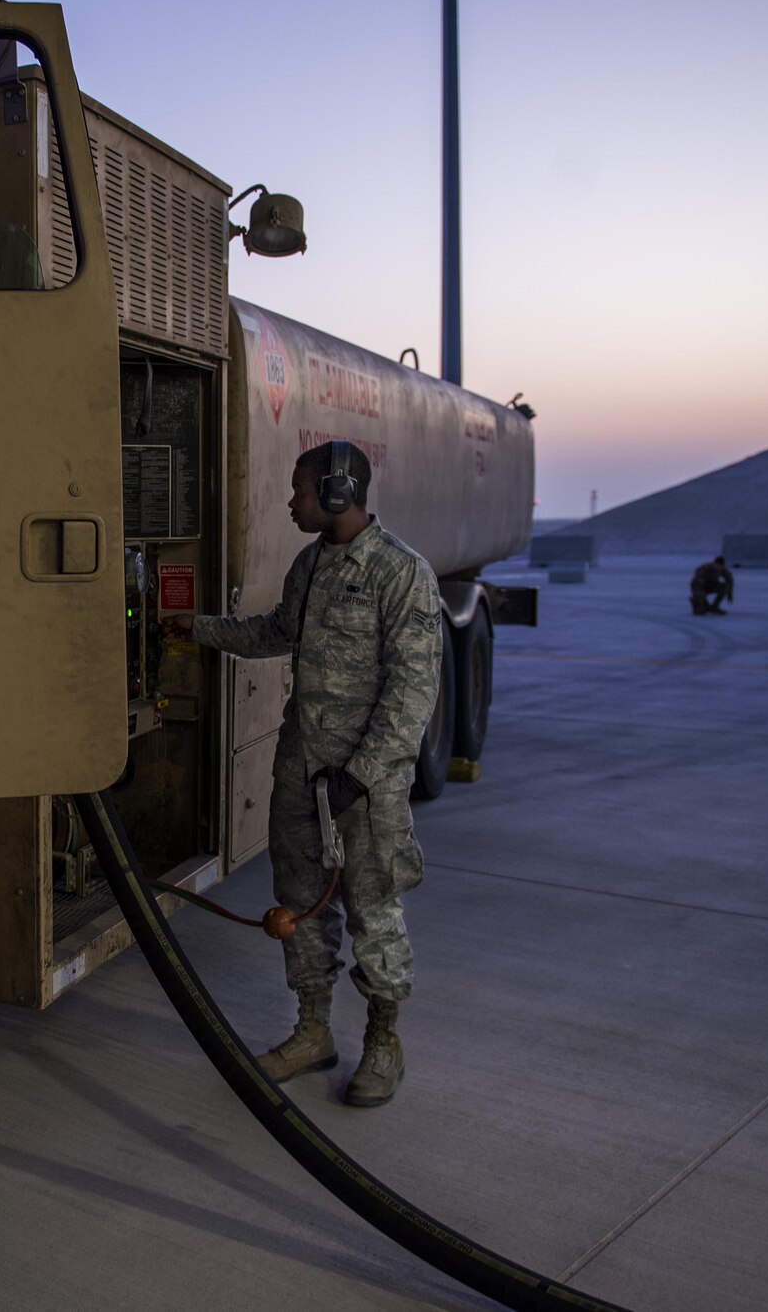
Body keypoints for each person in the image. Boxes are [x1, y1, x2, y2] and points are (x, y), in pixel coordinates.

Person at [165, 441, 442, 1107]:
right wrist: (197, 630)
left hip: (363, 788)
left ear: (340, 491)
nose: (292, 501)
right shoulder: (310, 565)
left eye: (301, 490)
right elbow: (276, 631)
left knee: (373, 913)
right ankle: (313, 1030)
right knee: (298, 907)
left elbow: (413, 691)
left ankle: (383, 1043)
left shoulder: (401, 573)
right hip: (301, 773)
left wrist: (365, 772)